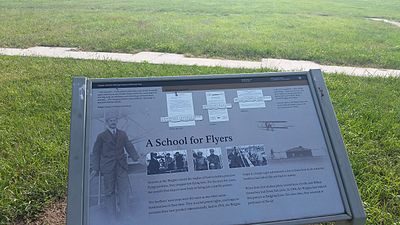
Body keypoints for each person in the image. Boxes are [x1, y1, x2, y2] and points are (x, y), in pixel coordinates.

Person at [91, 111, 139, 221]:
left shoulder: (122, 134)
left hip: (121, 167)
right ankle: (112, 217)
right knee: (109, 192)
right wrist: (95, 168)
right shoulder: (101, 137)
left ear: (117, 121)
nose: (113, 122)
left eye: (115, 120)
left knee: (124, 190)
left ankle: (125, 214)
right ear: (107, 122)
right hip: (108, 168)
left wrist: (136, 157)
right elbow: (96, 153)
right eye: (111, 120)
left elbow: (129, 147)